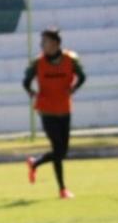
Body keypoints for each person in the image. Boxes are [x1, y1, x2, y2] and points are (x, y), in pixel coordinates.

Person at [22, 28, 85, 199]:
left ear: (56, 43)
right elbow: (26, 81)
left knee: (62, 151)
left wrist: (73, 88)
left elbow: (82, 76)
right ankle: (62, 189)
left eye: (45, 42)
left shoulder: (70, 60)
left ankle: (35, 163)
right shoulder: (38, 63)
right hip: (46, 109)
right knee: (58, 149)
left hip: (64, 109)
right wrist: (32, 93)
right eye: (41, 42)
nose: (42, 45)